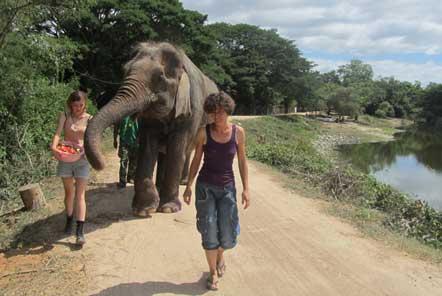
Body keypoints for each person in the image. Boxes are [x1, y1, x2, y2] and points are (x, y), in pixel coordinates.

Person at [183, 91, 251, 291]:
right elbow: (196, 160)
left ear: (228, 111)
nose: (217, 117)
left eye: (221, 112)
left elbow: (242, 161)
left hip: (227, 188)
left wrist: (247, 188)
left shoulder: (238, 133)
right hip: (206, 187)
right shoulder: (204, 132)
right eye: (214, 113)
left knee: (228, 234)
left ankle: (221, 254)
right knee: (209, 229)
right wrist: (188, 185)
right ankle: (212, 272)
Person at [50, 90, 92, 245]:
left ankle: (80, 232)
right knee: (69, 193)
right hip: (66, 157)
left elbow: (92, 139)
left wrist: (89, 152)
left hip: (82, 159)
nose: (78, 108)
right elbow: (57, 134)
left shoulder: (90, 119)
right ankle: (69, 220)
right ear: (70, 105)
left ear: (85, 104)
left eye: (81, 105)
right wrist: (54, 147)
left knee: (80, 195)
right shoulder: (65, 116)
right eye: (75, 106)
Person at [113, 114, 139, 188]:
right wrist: (115, 140)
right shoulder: (122, 114)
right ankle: (122, 181)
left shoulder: (138, 115)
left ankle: (130, 178)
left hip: (136, 142)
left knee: (134, 161)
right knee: (123, 161)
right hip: (124, 142)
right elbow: (116, 127)